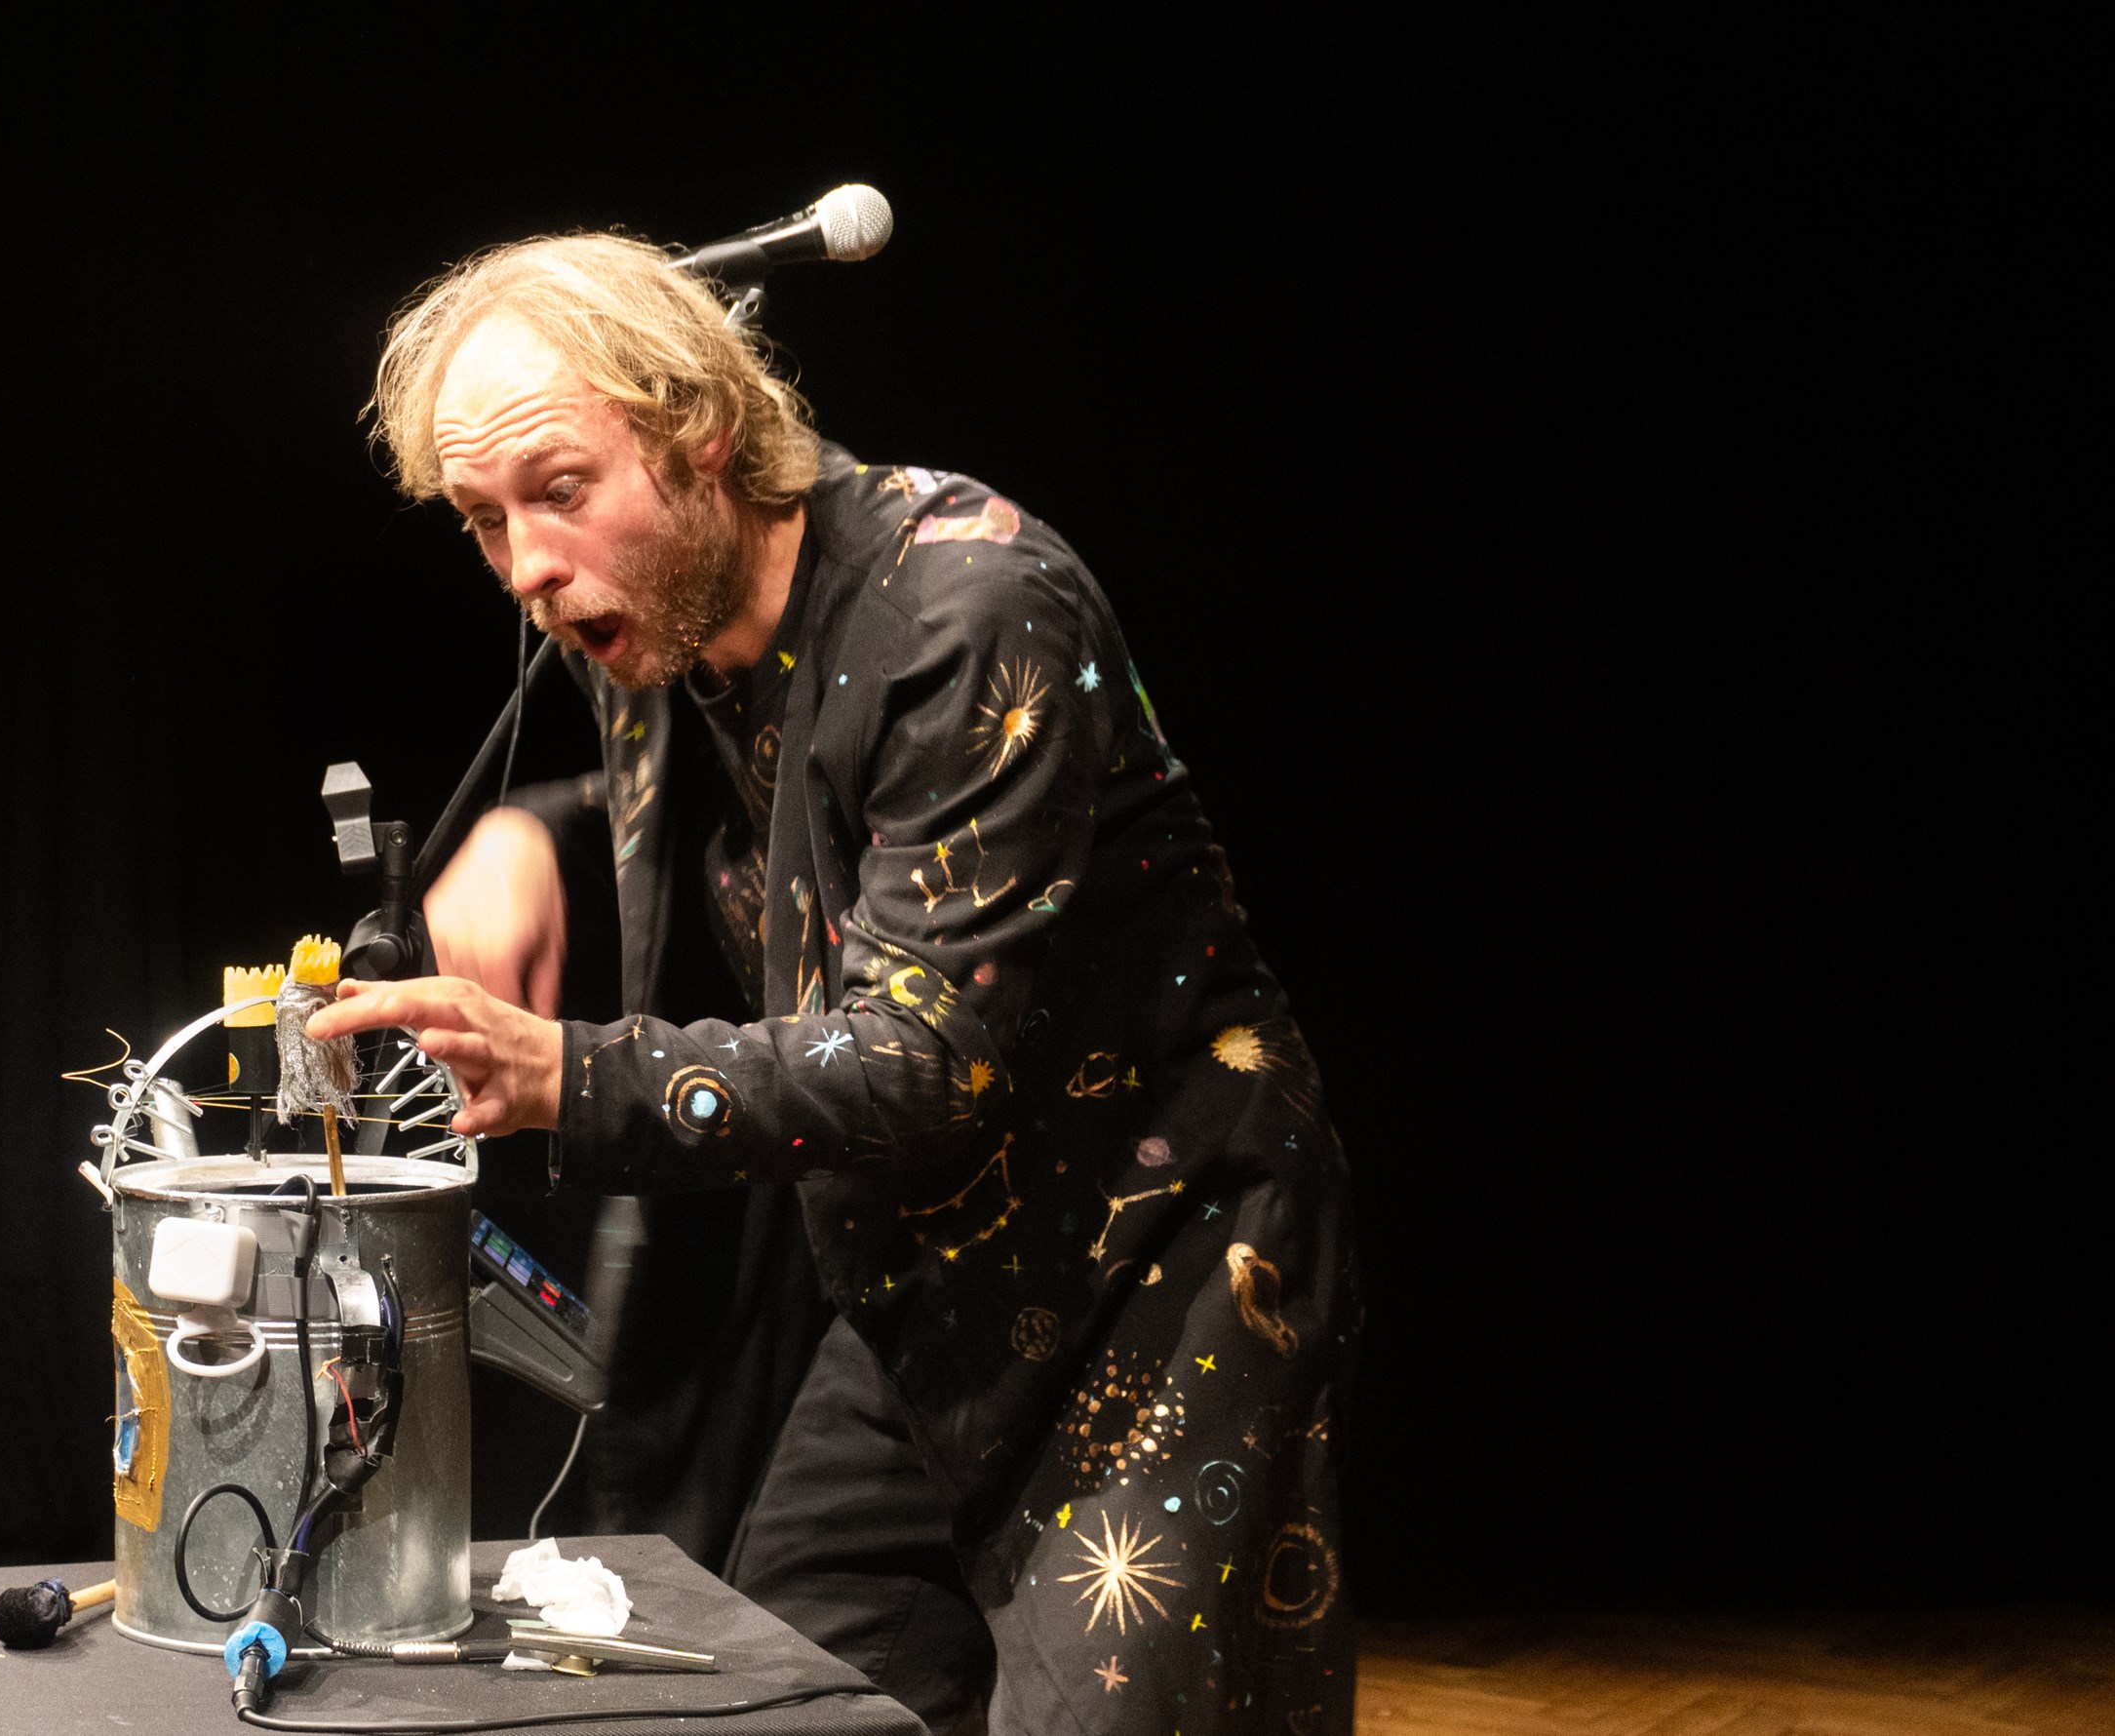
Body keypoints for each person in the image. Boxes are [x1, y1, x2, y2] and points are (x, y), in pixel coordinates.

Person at [305, 233, 1360, 1734]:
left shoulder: (967, 605)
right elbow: (793, 817)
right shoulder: (668, 628)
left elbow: (924, 1055)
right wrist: (541, 833)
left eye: (561, 489)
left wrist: (563, 1073)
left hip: (1158, 1268)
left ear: (702, 432)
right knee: (785, 1697)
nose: (527, 566)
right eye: (485, 520)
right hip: (928, 1284)